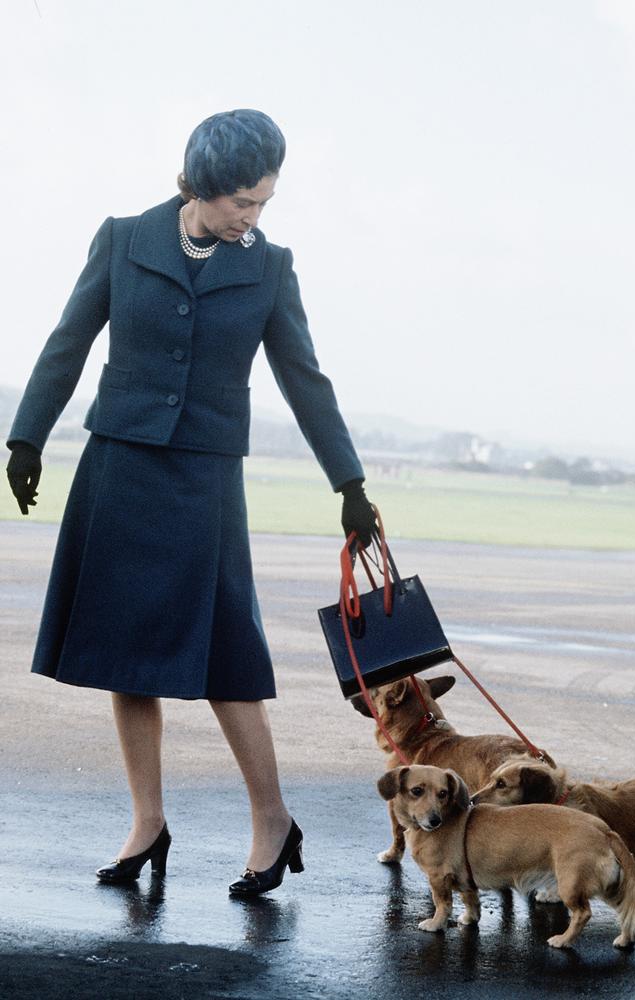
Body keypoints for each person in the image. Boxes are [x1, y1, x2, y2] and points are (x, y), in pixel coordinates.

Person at [5, 109, 376, 896]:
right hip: (120, 466)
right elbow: (68, 340)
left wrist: (350, 483)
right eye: (243, 201)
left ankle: (272, 819)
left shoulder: (270, 268)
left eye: (264, 203)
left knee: (226, 659)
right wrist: (26, 436)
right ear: (200, 186)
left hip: (205, 480)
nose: (254, 216)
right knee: (123, 655)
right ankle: (148, 823)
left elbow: (304, 378)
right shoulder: (122, 238)